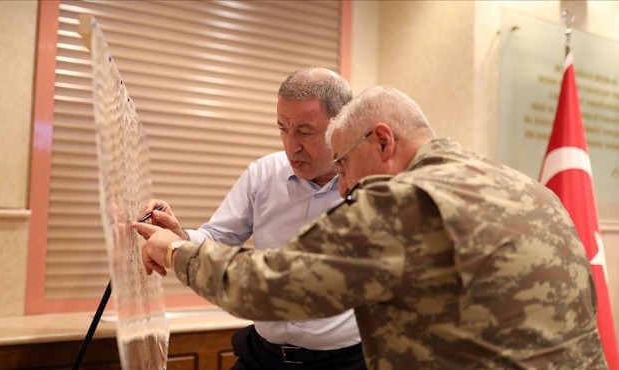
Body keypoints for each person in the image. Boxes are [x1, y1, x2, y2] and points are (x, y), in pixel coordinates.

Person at [134, 86, 607, 369]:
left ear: (382, 141)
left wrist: (173, 251)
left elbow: (266, 285)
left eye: (342, 163)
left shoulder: (406, 202)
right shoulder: (530, 190)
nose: (342, 187)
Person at [140, 67, 366, 369]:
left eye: (304, 131)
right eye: (283, 129)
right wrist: (178, 235)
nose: (291, 145)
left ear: (342, 125)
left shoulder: (369, 187)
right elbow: (216, 238)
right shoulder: (263, 174)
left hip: (343, 363)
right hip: (263, 357)